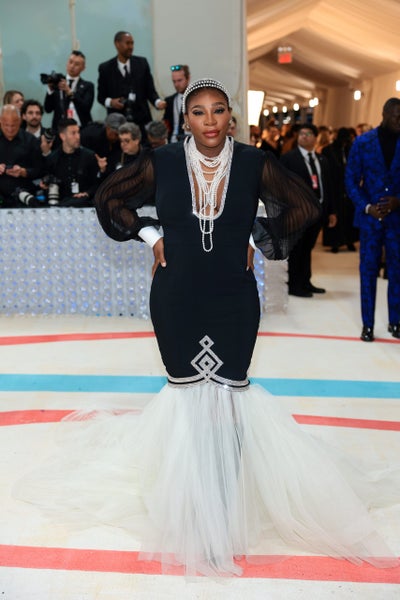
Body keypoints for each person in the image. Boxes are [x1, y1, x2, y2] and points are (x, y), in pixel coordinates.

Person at [16, 80, 399, 578]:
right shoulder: (163, 161)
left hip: (234, 299)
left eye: (218, 110)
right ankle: (193, 514)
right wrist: (151, 234)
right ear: (186, 119)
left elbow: (304, 206)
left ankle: (220, 511)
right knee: (186, 397)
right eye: (199, 112)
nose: (210, 120)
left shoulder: (255, 162)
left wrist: (256, 239)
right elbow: (109, 197)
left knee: (229, 399)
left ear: (230, 117)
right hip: (176, 296)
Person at [345, 97, 400, 342]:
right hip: (370, 220)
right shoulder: (363, 142)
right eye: (397, 116)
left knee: (397, 271)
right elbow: (350, 180)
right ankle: (368, 324)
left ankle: (395, 321)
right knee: (368, 272)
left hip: (397, 220)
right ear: (384, 114)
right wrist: (367, 207)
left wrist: (398, 201)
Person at [281, 123, 337, 297]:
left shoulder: (322, 160)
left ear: (315, 137)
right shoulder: (289, 159)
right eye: (301, 134)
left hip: (318, 212)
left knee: (308, 248)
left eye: (308, 133)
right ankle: (294, 284)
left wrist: (331, 211)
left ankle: (306, 281)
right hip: (298, 213)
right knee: (297, 249)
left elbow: (328, 186)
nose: (304, 136)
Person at [97, 31, 166, 134]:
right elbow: (101, 97)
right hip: (118, 125)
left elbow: (150, 91)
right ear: (117, 44)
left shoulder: (142, 64)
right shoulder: (105, 68)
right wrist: (111, 102)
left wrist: (158, 102)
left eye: (132, 43)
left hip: (142, 122)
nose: (131, 47)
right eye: (127, 43)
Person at [42, 117, 99, 207]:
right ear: (63, 136)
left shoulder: (89, 156)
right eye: (73, 133)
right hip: (59, 205)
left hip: (84, 204)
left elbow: (97, 184)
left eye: (78, 132)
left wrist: (87, 193)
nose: (78, 137)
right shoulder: (53, 159)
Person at [0, 104, 43, 207]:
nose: (10, 129)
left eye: (13, 125)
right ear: (0, 121)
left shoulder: (30, 140)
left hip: (24, 196)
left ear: (19, 121)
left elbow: (40, 170)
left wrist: (23, 172)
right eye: (6, 125)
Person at [43, 50, 94, 130]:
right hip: (60, 129)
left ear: (83, 68)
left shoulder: (88, 86)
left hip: (81, 128)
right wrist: (50, 90)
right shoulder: (57, 82)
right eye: (70, 62)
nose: (72, 66)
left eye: (77, 64)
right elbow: (48, 109)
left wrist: (70, 92)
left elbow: (86, 108)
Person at [80, 113, 127, 177]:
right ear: (108, 128)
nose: (119, 138)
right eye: (116, 134)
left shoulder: (118, 140)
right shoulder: (91, 137)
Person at [163, 64, 190, 142]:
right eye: (174, 81)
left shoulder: (196, 99)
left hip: (190, 140)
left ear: (188, 78)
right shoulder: (169, 100)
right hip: (173, 140)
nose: (176, 84)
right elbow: (166, 122)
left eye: (179, 80)